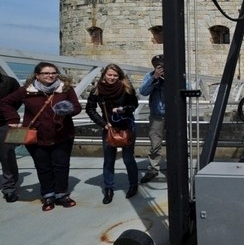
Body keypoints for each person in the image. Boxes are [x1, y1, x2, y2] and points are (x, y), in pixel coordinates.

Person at [0, 62, 82, 211]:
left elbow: (77, 107)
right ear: (37, 75)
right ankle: (48, 195)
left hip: (62, 134)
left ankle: (62, 194)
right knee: (43, 167)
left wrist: (68, 110)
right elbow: (6, 103)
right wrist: (13, 120)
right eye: (46, 73)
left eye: (53, 72)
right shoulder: (27, 91)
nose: (50, 75)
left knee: (61, 166)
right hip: (36, 136)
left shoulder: (65, 88)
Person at [85, 64, 140, 204]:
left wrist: (123, 109)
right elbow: (90, 108)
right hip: (109, 128)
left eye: (115, 75)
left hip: (127, 126)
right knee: (109, 160)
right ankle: (109, 188)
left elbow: (135, 105)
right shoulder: (97, 90)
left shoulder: (126, 88)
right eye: (109, 75)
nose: (112, 78)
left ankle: (133, 184)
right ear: (104, 75)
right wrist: (103, 123)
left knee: (128, 158)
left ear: (119, 76)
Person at [138, 54, 165, 183]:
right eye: (158, 66)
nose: (160, 68)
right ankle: (153, 168)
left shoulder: (176, 74)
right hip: (157, 115)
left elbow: (187, 88)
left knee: (177, 143)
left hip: (174, 115)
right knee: (155, 144)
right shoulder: (150, 76)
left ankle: (176, 167)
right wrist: (154, 78)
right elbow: (143, 91)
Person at [0, 73, 21, 202]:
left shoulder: (9, 82)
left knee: (7, 156)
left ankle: (9, 188)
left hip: (3, 123)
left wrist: (7, 114)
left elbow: (18, 100)